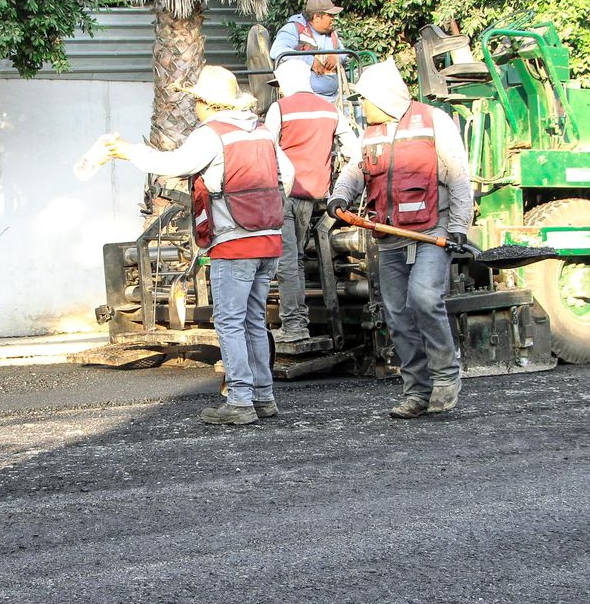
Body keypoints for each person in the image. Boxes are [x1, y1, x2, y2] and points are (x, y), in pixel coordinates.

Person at [106, 66, 295, 425]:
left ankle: (240, 402)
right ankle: (263, 397)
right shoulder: (262, 131)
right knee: (254, 320)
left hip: (234, 242)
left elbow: (174, 164)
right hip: (269, 239)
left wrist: (129, 151)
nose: (194, 107)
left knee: (230, 322)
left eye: (196, 101)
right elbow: (289, 176)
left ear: (208, 103)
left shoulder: (212, 134)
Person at [326, 59, 472, 419]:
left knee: (424, 297)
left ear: (384, 98)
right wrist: (339, 196)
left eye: (365, 99)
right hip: (390, 236)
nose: (362, 105)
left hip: (432, 230)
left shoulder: (434, 122)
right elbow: (355, 170)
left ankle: (446, 376)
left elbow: (458, 174)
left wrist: (459, 226)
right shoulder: (370, 134)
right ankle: (417, 391)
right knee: (397, 314)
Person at [262, 56, 359, 343]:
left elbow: (264, 150)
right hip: (315, 195)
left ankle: (294, 326)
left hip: (283, 193)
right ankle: (298, 321)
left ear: (285, 83)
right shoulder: (330, 110)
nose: (279, 90)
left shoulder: (280, 109)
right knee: (298, 259)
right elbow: (354, 150)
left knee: (287, 261)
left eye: (279, 85)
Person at [269, 0, 345, 99]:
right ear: (317, 17)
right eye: (330, 15)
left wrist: (338, 58)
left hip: (336, 97)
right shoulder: (294, 29)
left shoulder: (331, 33)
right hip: (304, 99)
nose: (334, 18)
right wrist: (310, 61)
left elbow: (344, 52)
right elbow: (277, 50)